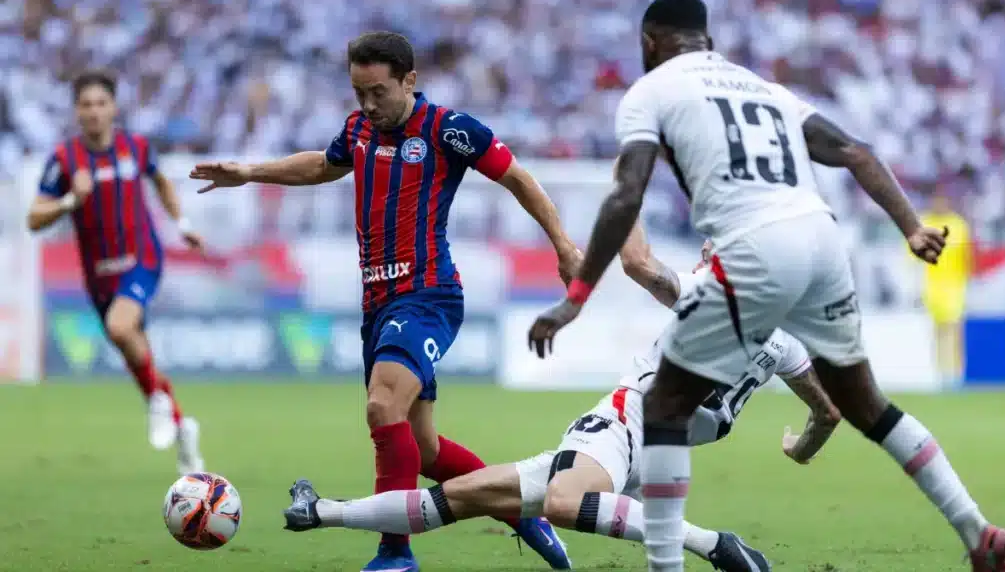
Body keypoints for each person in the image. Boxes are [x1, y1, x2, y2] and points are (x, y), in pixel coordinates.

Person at [525, 0, 1005, 571]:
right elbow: (856, 152)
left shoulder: (652, 91)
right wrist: (911, 226)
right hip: (822, 241)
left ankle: (670, 565)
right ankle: (976, 530)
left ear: (650, 42)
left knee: (662, 404)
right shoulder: (764, 89)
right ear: (708, 40)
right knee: (871, 407)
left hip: (754, 246)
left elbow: (626, 196)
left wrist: (576, 297)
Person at [189, 31, 579, 572]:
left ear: (409, 81)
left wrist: (564, 246)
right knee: (424, 450)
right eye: (359, 93)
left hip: (427, 295)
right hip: (377, 304)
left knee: (382, 406)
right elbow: (323, 165)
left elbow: (517, 178)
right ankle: (522, 512)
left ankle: (394, 554)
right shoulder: (358, 129)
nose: (369, 105)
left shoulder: (448, 129)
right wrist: (250, 172)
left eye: (379, 92)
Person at [281, 235, 842, 572]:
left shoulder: (707, 296)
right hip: (654, 457)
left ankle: (715, 545)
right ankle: (320, 512)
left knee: (561, 502)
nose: (704, 253)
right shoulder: (784, 343)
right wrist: (800, 448)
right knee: (463, 496)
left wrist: (630, 184)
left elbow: (638, 264)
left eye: (714, 249)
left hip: (621, 427)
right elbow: (827, 413)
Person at [26, 70, 205, 476]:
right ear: (76, 111)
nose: (93, 111)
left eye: (100, 103)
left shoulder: (135, 148)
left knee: (121, 328)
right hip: (99, 275)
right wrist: (70, 200)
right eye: (85, 104)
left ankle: (158, 403)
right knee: (135, 352)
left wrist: (182, 224)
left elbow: (161, 182)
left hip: (142, 258)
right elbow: (34, 218)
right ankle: (182, 429)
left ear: (113, 108)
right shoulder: (65, 160)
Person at [919, 190, 972, 384]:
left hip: (954, 287)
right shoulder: (923, 223)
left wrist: (968, 282)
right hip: (931, 287)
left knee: (954, 330)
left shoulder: (958, 225)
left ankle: (955, 374)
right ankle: (940, 373)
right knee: (937, 332)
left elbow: (967, 257)